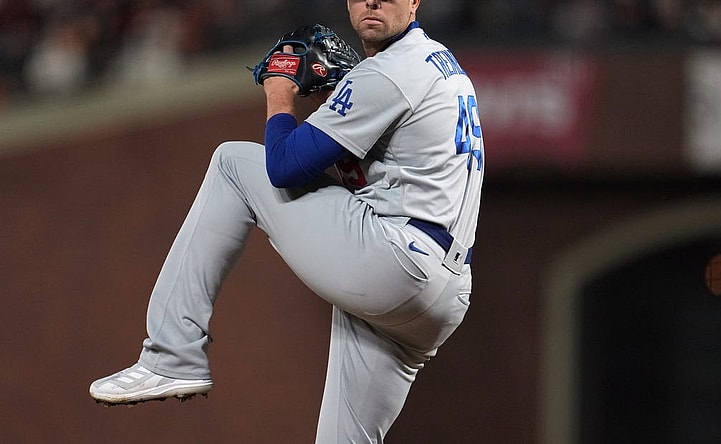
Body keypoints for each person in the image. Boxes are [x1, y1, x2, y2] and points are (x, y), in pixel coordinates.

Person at [89, 0, 485, 441]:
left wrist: (279, 88)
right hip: (442, 293)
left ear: (414, 1)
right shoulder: (439, 64)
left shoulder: (389, 71)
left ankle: (171, 355)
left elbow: (283, 168)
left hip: (395, 262)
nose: (372, 0)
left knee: (233, 165)